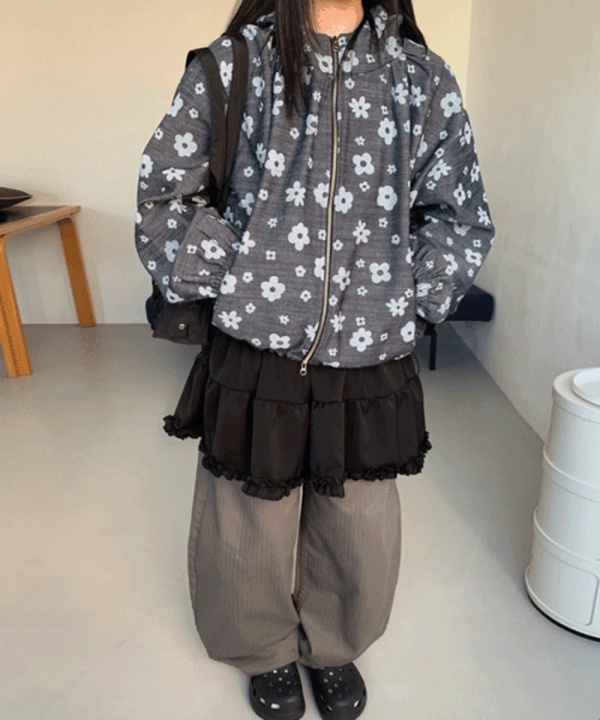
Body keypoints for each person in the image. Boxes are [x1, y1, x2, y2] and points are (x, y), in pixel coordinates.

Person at [134, 1, 495, 718]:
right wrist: (240, 277)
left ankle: (334, 646)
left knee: (359, 523)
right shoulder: (232, 66)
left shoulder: (421, 78)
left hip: (370, 349)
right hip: (257, 344)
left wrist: (408, 295)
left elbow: (461, 213)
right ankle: (261, 650)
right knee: (250, 520)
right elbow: (164, 195)